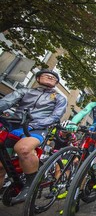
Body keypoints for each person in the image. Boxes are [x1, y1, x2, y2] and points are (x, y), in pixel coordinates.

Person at [0, 69, 67, 204]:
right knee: (1, 166)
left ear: (56, 83)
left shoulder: (59, 98)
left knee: (23, 149)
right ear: (37, 78)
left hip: (37, 129)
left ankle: (31, 185)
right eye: (46, 75)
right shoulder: (25, 91)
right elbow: (6, 102)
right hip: (14, 126)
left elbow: (55, 117)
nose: (50, 76)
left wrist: (33, 124)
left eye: (53, 77)